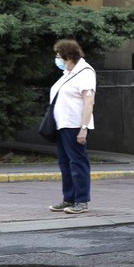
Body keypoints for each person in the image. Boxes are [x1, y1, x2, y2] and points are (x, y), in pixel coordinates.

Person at [48, 40, 96, 215]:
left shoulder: (85, 73)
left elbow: (89, 102)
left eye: (58, 56)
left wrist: (84, 128)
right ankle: (69, 198)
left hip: (75, 125)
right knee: (65, 163)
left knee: (78, 163)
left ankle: (81, 200)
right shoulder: (68, 73)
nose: (57, 59)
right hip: (62, 125)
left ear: (68, 56)